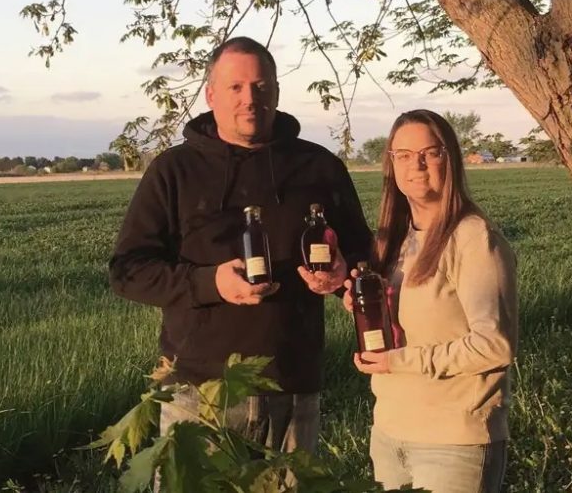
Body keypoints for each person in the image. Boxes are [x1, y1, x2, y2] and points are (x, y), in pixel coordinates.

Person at [108, 36, 373, 461]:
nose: (250, 98)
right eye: (235, 87)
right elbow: (128, 271)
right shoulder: (174, 171)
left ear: (276, 92)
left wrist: (344, 274)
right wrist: (210, 282)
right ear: (211, 94)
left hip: (291, 385)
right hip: (199, 391)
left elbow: (363, 253)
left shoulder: (319, 167)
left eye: (261, 86)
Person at [343, 109, 518, 493]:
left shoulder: (473, 239)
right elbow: (409, 319)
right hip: (389, 432)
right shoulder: (394, 241)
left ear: (449, 158)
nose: (416, 165)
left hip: (454, 442)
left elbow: (495, 345)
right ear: (391, 164)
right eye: (403, 155)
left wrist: (399, 361)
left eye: (430, 153)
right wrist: (363, 305)